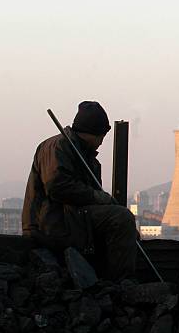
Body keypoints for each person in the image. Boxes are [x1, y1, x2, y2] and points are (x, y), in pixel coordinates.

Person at [22, 101, 138, 281]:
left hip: (73, 217)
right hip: (53, 222)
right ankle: (121, 284)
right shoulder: (58, 147)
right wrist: (96, 197)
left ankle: (110, 280)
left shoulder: (86, 156)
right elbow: (57, 186)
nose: (101, 142)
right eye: (101, 136)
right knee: (121, 219)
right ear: (92, 133)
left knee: (123, 225)